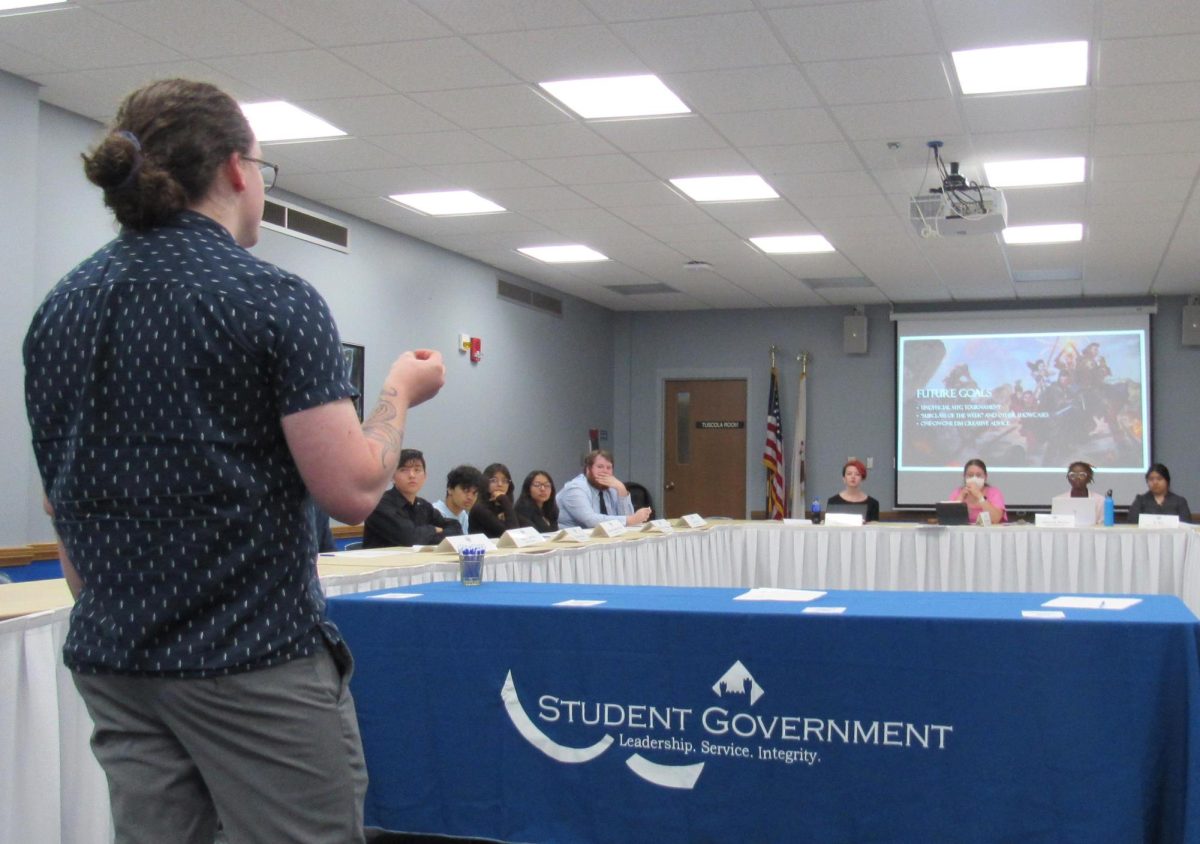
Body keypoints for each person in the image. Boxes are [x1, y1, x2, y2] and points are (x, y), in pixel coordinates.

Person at [22, 79, 445, 844]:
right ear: (236, 170)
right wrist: (397, 392)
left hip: (116, 662)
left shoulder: (60, 307)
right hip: (252, 664)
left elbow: (66, 505)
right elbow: (352, 489)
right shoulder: (271, 299)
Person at [363, 449, 462, 548]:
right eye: (404, 470)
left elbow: (455, 528)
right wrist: (433, 530)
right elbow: (409, 538)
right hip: (384, 562)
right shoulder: (379, 504)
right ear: (392, 476)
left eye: (417, 470)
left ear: (425, 476)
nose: (412, 475)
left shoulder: (423, 506)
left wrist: (426, 536)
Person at [557, 450, 652, 529]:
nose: (605, 472)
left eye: (609, 468)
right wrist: (631, 519)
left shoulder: (611, 487)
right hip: (570, 543)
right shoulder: (575, 489)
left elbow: (628, 522)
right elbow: (590, 521)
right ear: (588, 470)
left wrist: (621, 489)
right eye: (600, 467)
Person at [947, 458, 1007, 524]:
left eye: (978, 475)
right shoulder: (957, 492)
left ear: (985, 477)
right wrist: (961, 497)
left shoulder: (994, 493)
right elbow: (949, 518)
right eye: (970, 475)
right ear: (964, 476)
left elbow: (995, 519)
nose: (974, 478)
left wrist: (979, 495)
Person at [470, 462, 519, 538]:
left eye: (505, 481)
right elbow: (512, 535)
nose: (500, 484)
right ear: (485, 482)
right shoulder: (479, 508)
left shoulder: (503, 506)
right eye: (494, 480)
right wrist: (505, 500)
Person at [433, 465, 484, 535]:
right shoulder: (434, 512)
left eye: (474, 493)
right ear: (450, 489)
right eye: (466, 491)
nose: (470, 497)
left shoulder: (463, 516)